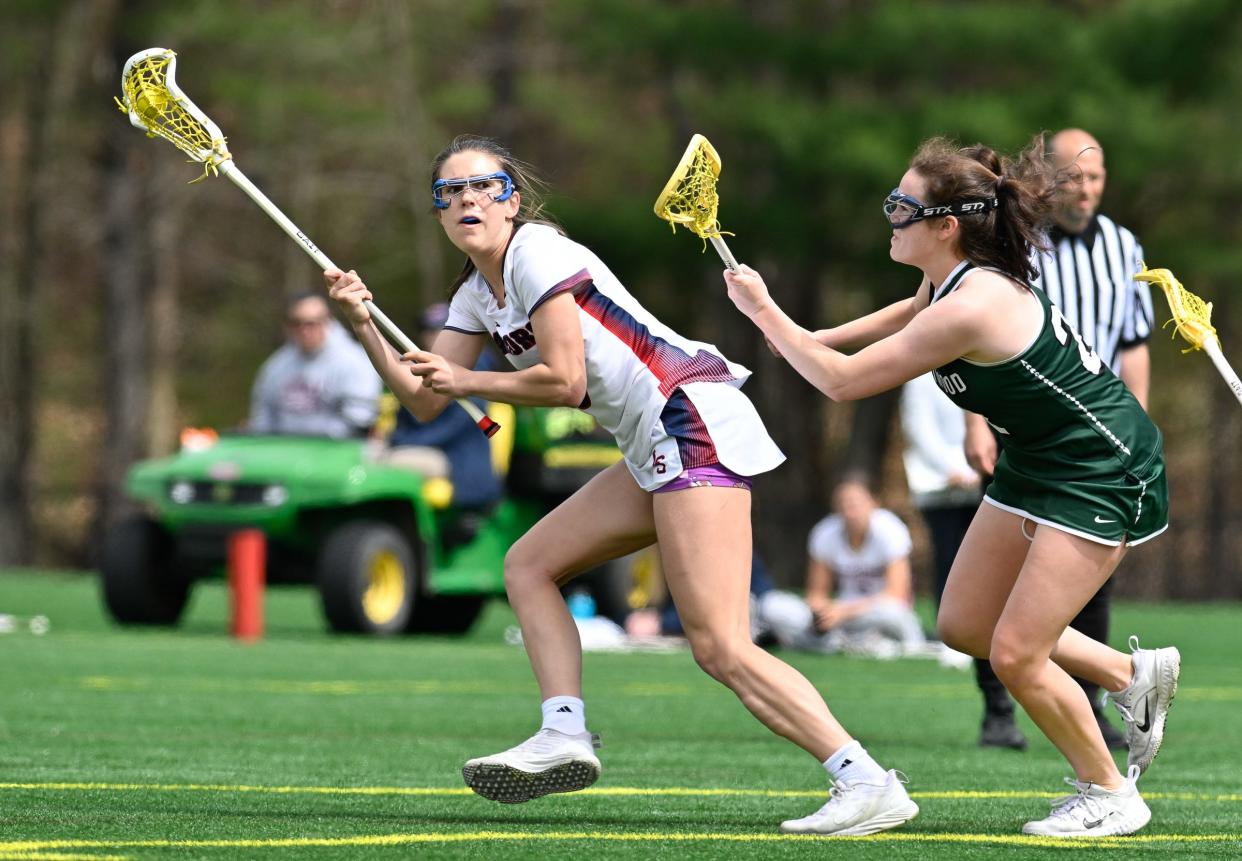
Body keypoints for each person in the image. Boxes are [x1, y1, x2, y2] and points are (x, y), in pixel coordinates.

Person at [326, 135, 919, 836]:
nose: (464, 201)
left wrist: (473, 381)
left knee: (720, 644)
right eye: (447, 193)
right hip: (650, 437)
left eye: (481, 187)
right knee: (529, 564)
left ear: (511, 200)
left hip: (687, 413)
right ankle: (564, 731)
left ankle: (863, 779)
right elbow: (423, 398)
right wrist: (363, 322)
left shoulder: (536, 255)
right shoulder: (475, 294)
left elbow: (563, 380)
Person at [721, 133, 1180, 838]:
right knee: (964, 624)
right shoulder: (947, 278)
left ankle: (1111, 789)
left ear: (945, 225)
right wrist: (805, 330)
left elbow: (843, 384)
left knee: (1018, 653)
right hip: (1040, 456)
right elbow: (905, 316)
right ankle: (1129, 673)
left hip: (1102, 463)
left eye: (901, 207)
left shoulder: (975, 302)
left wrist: (766, 316)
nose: (890, 217)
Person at [964, 128, 1154, 751]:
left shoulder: (1124, 246)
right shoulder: (1023, 241)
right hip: (1024, 429)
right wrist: (974, 423)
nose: (1085, 191)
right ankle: (999, 707)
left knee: (1080, 582)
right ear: (1047, 180)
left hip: (1094, 439)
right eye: (1073, 178)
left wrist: (1136, 426)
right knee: (986, 595)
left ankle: (1096, 705)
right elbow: (963, 335)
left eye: (1095, 179)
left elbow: (1133, 346)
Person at [900, 373, 1026, 749]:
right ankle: (994, 701)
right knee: (957, 575)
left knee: (1007, 589)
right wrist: (956, 468)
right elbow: (918, 425)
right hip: (947, 486)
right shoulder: (922, 372)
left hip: (998, 480)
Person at [758, 477, 926, 658]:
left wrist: (844, 611)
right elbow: (816, 594)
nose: (850, 510)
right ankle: (847, 644)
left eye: (856, 503)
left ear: (873, 502)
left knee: (895, 613)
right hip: (839, 616)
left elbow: (897, 594)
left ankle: (835, 644)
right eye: (843, 504)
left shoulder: (890, 530)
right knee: (772, 605)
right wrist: (822, 613)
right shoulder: (825, 533)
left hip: (875, 611)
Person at [385, 302, 502, 510]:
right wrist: (397, 439)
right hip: (425, 449)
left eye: (442, 329)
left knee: (383, 465)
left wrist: (403, 442)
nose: (433, 336)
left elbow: (455, 426)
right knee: (365, 454)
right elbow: (404, 415)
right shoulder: (421, 365)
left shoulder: (475, 364)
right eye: (427, 330)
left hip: (456, 458)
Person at [248, 292, 382, 438]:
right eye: (296, 323)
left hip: (337, 449)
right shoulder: (277, 365)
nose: (304, 330)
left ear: (327, 321)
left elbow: (359, 419)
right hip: (283, 448)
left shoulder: (354, 361)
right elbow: (262, 415)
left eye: (312, 323)